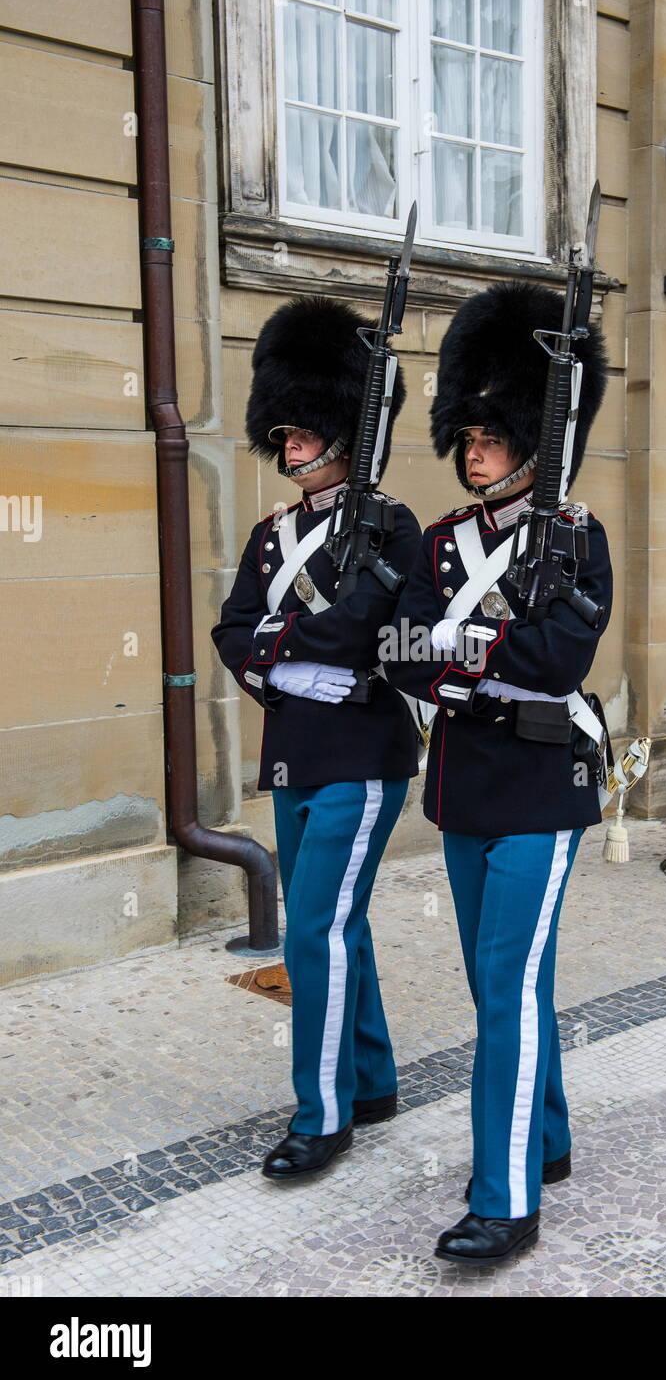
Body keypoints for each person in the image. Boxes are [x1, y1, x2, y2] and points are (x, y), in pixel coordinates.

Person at [384, 281, 612, 1265]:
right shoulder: (439, 545)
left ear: (530, 436)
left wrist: (459, 652)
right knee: (503, 986)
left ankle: (505, 1198)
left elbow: (559, 659)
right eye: (464, 434)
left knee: (507, 988)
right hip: (465, 786)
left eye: (488, 434)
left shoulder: (573, 536)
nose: (471, 449)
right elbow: (395, 648)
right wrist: (480, 650)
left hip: (539, 789)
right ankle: (547, 1138)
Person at [212, 296, 422, 1180]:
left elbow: (366, 628)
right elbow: (231, 630)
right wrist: (286, 666)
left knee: (311, 937)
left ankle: (322, 1113)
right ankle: (369, 1080)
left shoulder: (393, 526)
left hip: (363, 756)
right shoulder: (272, 537)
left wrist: (282, 647)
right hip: (294, 753)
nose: (290, 445)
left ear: (345, 431)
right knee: (335, 922)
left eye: (305, 432)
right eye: (284, 432)